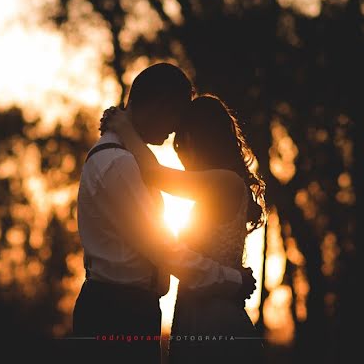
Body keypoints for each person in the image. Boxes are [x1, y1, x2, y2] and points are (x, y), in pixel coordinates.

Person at [72, 63, 256, 364]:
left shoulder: (221, 182)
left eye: (183, 134)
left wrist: (124, 127)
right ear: (160, 104)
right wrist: (231, 279)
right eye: (176, 121)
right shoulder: (119, 163)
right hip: (120, 311)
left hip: (156, 310)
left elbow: (155, 174)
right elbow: (164, 249)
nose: (173, 135)